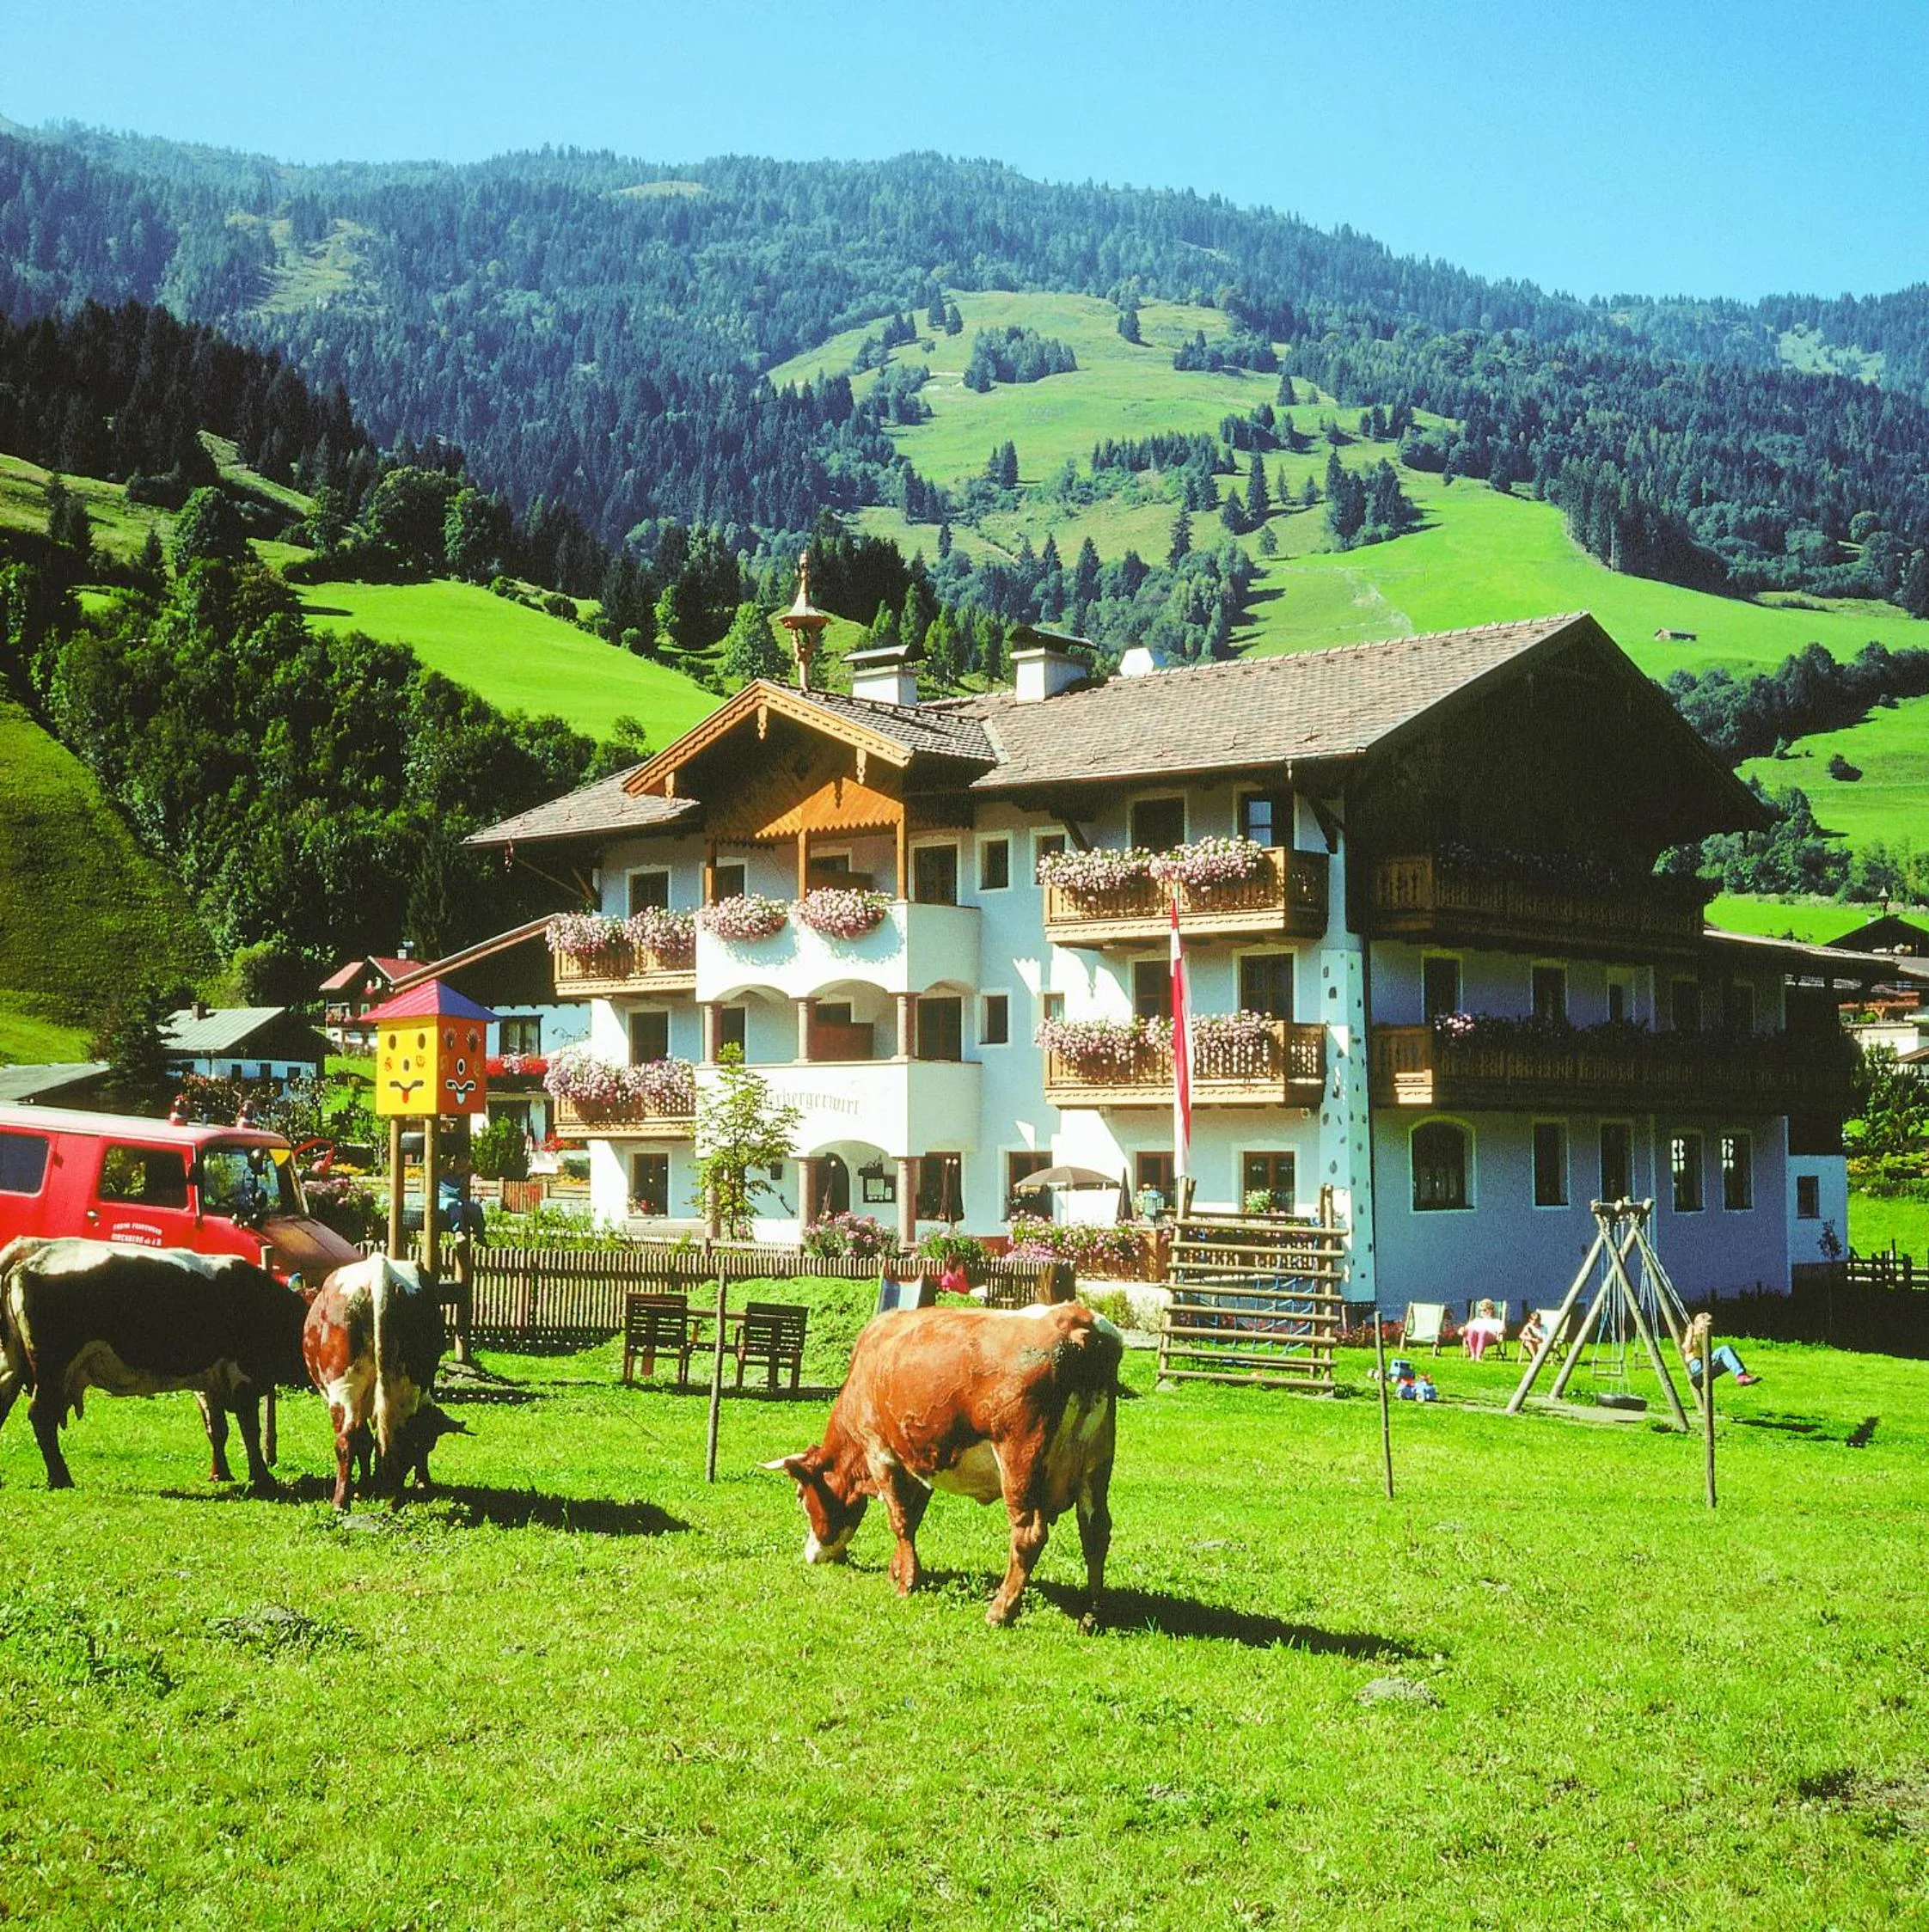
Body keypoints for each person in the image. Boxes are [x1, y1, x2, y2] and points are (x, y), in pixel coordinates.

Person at [1680, 1311, 1760, 1388]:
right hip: (1697, 1366)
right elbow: (1686, 1348)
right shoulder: (1692, 1334)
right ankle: (1741, 1376)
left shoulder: (1704, 1336)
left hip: (1705, 1360)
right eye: (1702, 1328)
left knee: (1728, 1354)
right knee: (1725, 1350)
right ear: (1696, 1324)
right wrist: (1690, 1333)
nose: (1705, 1330)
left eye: (1709, 1327)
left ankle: (1742, 1376)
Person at [1462, 1296, 1505, 1362]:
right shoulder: (1477, 1320)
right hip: (1476, 1337)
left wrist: (1501, 1331)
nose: (1482, 1312)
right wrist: (1462, 1330)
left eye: (1484, 1310)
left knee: (1483, 1332)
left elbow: (1502, 1330)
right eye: (1480, 1310)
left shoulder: (1496, 1321)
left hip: (1490, 1337)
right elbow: (1467, 1328)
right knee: (1471, 1331)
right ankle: (1473, 1355)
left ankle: (1479, 1356)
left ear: (1491, 1310)